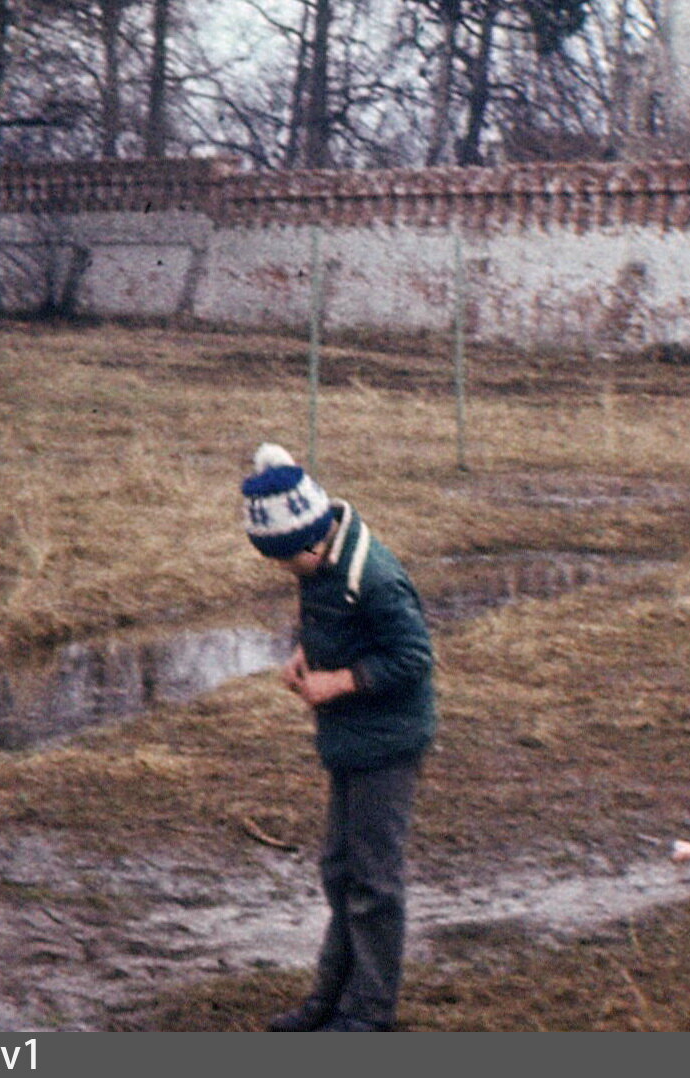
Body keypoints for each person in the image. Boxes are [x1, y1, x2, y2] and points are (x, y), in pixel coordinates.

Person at [242, 442, 437, 1032]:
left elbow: (413, 657)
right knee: (339, 869)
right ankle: (330, 999)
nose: (281, 571)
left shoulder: (373, 577)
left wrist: (340, 681)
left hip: (389, 741)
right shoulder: (323, 561)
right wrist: (308, 655)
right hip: (351, 736)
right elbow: (332, 622)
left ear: (306, 543)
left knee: (374, 881)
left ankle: (370, 1014)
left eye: (282, 561)